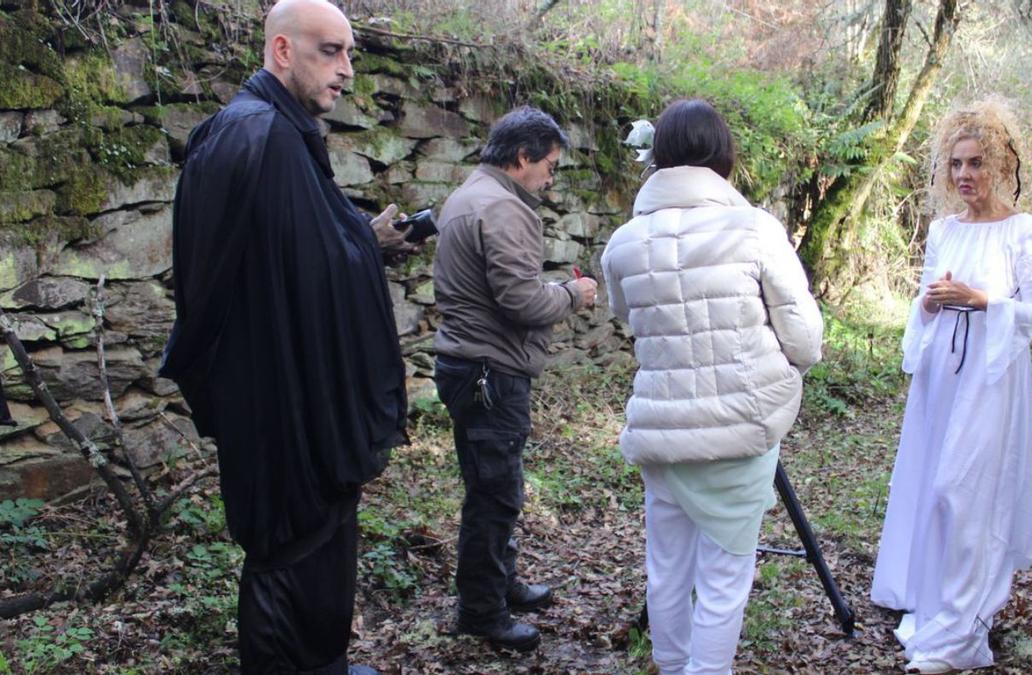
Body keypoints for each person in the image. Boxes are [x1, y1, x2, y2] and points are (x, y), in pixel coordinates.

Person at [159, 0, 418, 672]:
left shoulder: (286, 134)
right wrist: (363, 246)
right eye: (330, 51)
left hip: (306, 392)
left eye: (351, 53)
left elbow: (298, 255)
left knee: (326, 538)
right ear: (281, 51)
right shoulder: (248, 136)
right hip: (275, 397)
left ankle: (323, 662)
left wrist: (364, 240)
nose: (348, 71)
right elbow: (222, 283)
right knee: (287, 546)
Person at [600, 99, 824, 675]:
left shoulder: (624, 241)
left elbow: (628, 315)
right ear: (724, 155)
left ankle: (672, 667)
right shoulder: (754, 228)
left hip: (660, 425)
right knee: (725, 575)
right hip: (739, 427)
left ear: (661, 155)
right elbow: (803, 337)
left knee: (666, 566)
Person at [869, 99, 1032, 674]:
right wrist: (929, 303)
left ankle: (960, 628)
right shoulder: (944, 231)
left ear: (999, 164)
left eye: (975, 163)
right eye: (955, 165)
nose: (964, 175)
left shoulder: (1025, 231)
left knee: (965, 491)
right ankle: (937, 602)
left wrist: (982, 301)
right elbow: (923, 306)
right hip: (940, 382)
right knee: (933, 487)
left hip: (990, 383)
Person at [432, 106, 599, 652]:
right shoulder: (503, 208)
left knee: (493, 485)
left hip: (472, 367)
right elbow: (520, 300)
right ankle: (481, 612)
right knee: (495, 496)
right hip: (489, 373)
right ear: (522, 156)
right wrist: (572, 295)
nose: (551, 178)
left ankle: (500, 584)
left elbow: (501, 288)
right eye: (548, 165)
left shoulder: (469, 195)